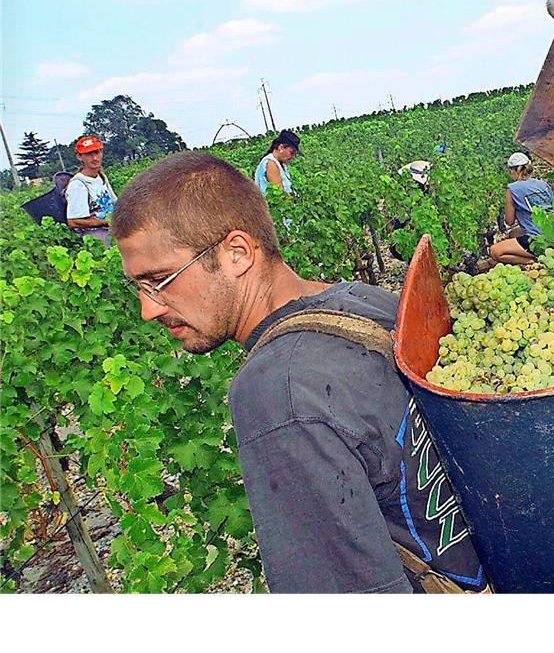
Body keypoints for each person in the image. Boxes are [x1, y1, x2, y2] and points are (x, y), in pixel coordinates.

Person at [111, 152, 488, 593]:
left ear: (237, 253)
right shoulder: (366, 301)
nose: (147, 309)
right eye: (137, 286)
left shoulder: (277, 391)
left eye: (159, 279)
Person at [488, 152, 553, 266]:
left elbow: (509, 221)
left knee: (495, 252)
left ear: (512, 171)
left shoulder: (512, 189)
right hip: (553, 234)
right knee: (513, 233)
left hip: (537, 240)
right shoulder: (544, 185)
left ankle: (534, 262)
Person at [66, 135, 117, 246]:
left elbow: (115, 202)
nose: (95, 158)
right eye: (89, 154)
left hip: (112, 231)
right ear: (80, 157)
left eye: (97, 152)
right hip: (96, 239)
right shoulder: (78, 185)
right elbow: (73, 221)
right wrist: (103, 222)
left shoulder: (101, 177)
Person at [254, 129, 301, 195]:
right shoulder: (271, 163)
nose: (292, 156)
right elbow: (280, 195)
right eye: (291, 152)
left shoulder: (281, 163)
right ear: (281, 147)